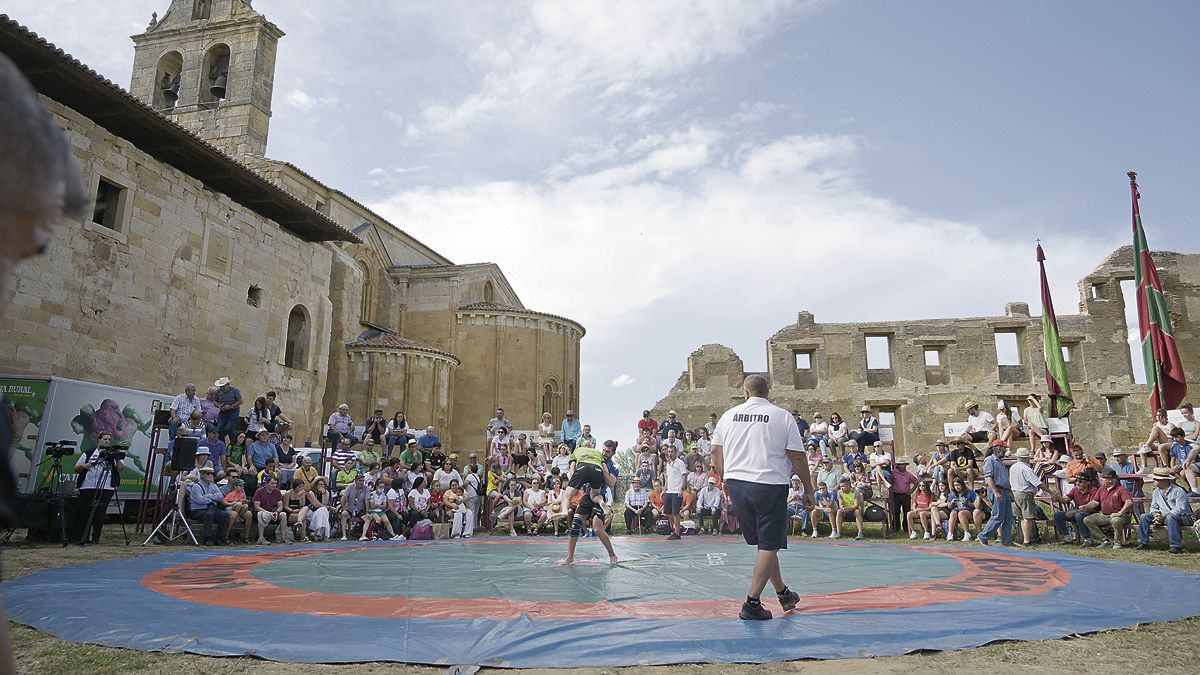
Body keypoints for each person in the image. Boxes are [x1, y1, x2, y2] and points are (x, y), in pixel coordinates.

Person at [710, 374, 813, 620]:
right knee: (769, 544)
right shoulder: (782, 415)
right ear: (768, 393)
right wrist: (809, 488)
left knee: (764, 544)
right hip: (768, 483)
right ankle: (752, 604)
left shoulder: (728, 415)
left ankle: (783, 594)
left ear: (745, 393)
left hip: (737, 483)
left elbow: (715, 451)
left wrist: (725, 477)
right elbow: (797, 456)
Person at [561, 437, 618, 565]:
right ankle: (570, 557)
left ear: (613, 453)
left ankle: (612, 555)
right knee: (575, 524)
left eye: (608, 452)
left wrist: (602, 470)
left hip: (600, 496)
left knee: (597, 529)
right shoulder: (595, 456)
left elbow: (611, 483)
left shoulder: (612, 466)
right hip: (587, 495)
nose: (604, 453)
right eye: (603, 450)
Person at [73, 431, 126, 544]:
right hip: (88, 485)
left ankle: (96, 537)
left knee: (100, 512)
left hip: (106, 486)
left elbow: (120, 468)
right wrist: (84, 466)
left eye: (108, 440)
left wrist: (117, 458)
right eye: (105, 439)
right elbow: (76, 468)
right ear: (99, 439)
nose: (106, 441)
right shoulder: (89, 452)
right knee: (85, 511)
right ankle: (82, 536)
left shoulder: (113, 453)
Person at [1137, 467, 1194, 554]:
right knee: (1144, 516)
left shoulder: (1179, 491)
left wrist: (1163, 517)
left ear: (1163, 480)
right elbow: (1153, 506)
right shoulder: (1156, 492)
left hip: (1182, 517)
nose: (1153, 481)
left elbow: (1180, 509)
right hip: (1163, 516)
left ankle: (1175, 546)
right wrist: (1156, 514)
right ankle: (1143, 542)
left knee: (1171, 518)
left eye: (1155, 479)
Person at [1083, 468, 1133, 549]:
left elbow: (1129, 502)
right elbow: (1095, 502)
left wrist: (1120, 513)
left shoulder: (1121, 489)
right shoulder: (1102, 489)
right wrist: (1085, 506)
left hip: (1121, 516)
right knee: (1087, 519)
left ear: (1110, 480)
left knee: (1116, 520)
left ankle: (1117, 542)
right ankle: (1105, 540)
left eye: (1103, 478)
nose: (1101, 480)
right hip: (1104, 515)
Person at [976, 440, 1014, 546]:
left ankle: (1007, 540)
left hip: (1004, 490)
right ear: (998, 448)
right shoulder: (990, 460)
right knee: (998, 516)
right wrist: (996, 492)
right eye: (1003, 448)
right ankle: (983, 535)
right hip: (997, 490)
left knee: (1008, 517)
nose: (1005, 450)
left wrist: (1010, 492)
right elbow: (988, 477)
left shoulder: (999, 461)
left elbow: (1005, 479)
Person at [1048, 472, 1100, 545]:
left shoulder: (1093, 491)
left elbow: (1092, 507)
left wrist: (1075, 511)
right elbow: (1065, 500)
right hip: (1078, 512)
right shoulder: (1075, 489)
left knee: (1079, 515)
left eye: (1080, 481)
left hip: (1091, 513)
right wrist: (1057, 497)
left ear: (1088, 483)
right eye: (1076, 481)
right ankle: (1067, 538)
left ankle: (1087, 539)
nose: (1077, 483)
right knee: (1057, 514)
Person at [1010, 447, 1041, 547]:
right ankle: (1027, 540)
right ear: (1027, 458)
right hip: (1024, 493)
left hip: (1015, 493)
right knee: (1027, 517)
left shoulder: (1013, 467)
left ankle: (1023, 538)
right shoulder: (1026, 469)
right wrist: (1050, 492)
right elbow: (1037, 482)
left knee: (1021, 517)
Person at [661, 446, 688, 539]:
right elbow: (667, 478)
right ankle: (678, 527)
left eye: (672, 451)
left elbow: (684, 476)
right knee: (667, 512)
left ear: (676, 452)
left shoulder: (680, 463)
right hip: (669, 490)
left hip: (677, 490)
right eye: (668, 452)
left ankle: (677, 533)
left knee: (675, 512)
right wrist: (664, 490)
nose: (670, 453)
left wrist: (682, 489)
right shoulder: (668, 464)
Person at [168, 383, 202, 452]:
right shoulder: (179, 398)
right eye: (192, 391)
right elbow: (173, 409)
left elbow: (199, 411)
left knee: (200, 425)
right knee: (173, 422)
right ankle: (173, 442)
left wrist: (200, 418)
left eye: (194, 391)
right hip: (179, 419)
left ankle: (191, 445)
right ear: (186, 391)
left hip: (190, 420)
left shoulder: (196, 400)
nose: (194, 392)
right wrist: (174, 417)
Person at [252, 476, 285, 545]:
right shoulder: (259, 491)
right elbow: (257, 507)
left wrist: (277, 512)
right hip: (262, 511)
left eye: (275, 483)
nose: (274, 485)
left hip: (273, 512)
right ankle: (261, 538)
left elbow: (280, 505)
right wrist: (268, 512)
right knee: (261, 514)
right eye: (272, 483)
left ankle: (283, 538)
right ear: (267, 483)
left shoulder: (277, 492)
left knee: (283, 515)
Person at [1167, 427, 1200, 494]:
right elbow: (1172, 460)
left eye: (1176, 437)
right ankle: (1183, 489)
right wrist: (1173, 468)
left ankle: (1194, 490)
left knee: (1186, 468)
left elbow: (1195, 452)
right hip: (1183, 467)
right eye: (1173, 437)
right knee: (1168, 472)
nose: (1174, 439)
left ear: (1183, 436)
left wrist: (1185, 463)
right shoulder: (1174, 446)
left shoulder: (1190, 444)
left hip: (1193, 465)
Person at [889, 456, 918, 533]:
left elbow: (916, 482)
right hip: (896, 494)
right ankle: (895, 527)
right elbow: (889, 480)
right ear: (898, 465)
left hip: (905, 495)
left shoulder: (909, 474)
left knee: (906, 511)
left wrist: (911, 490)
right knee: (895, 511)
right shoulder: (893, 472)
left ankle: (906, 528)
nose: (902, 466)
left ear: (905, 465)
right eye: (900, 464)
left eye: (903, 464)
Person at [212, 377, 243, 445]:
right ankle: (222, 445)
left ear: (228, 384)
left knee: (229, 427)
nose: (222, 388)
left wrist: (231, 406)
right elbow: (214, 401)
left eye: (223, 387)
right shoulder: (218, 392)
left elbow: (240, 401)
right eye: (221, 387)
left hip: (233, 411)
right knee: (220, 428)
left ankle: (234, 443)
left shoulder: (235, 391)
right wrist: (218, 406)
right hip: (222, 411)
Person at [339, 474, 369, 540]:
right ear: (355, 481)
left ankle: (363, 536)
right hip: (350, 508)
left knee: (367, 518)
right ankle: (344, 536)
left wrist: (367, 512)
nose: (361, 482)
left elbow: (367, 500)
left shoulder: (366, 488)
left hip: (360, 509)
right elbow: (343, 498)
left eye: (363, 481)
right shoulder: (350, 487)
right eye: (360, 481)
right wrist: (344, 509)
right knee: (344, 514)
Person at [306, 476, 333, 541]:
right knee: (323, 510)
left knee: (323, 511)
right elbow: (316, 505)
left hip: (322, 513)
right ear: (316, 485)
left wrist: (323, 493)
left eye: (323, 484)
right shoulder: (311, 493)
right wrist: (329, 507)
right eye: (320, 484)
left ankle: (318, 532)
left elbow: (325, 503)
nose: (322, 486)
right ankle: (325, 536)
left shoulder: (326, 492)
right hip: (312, 513)